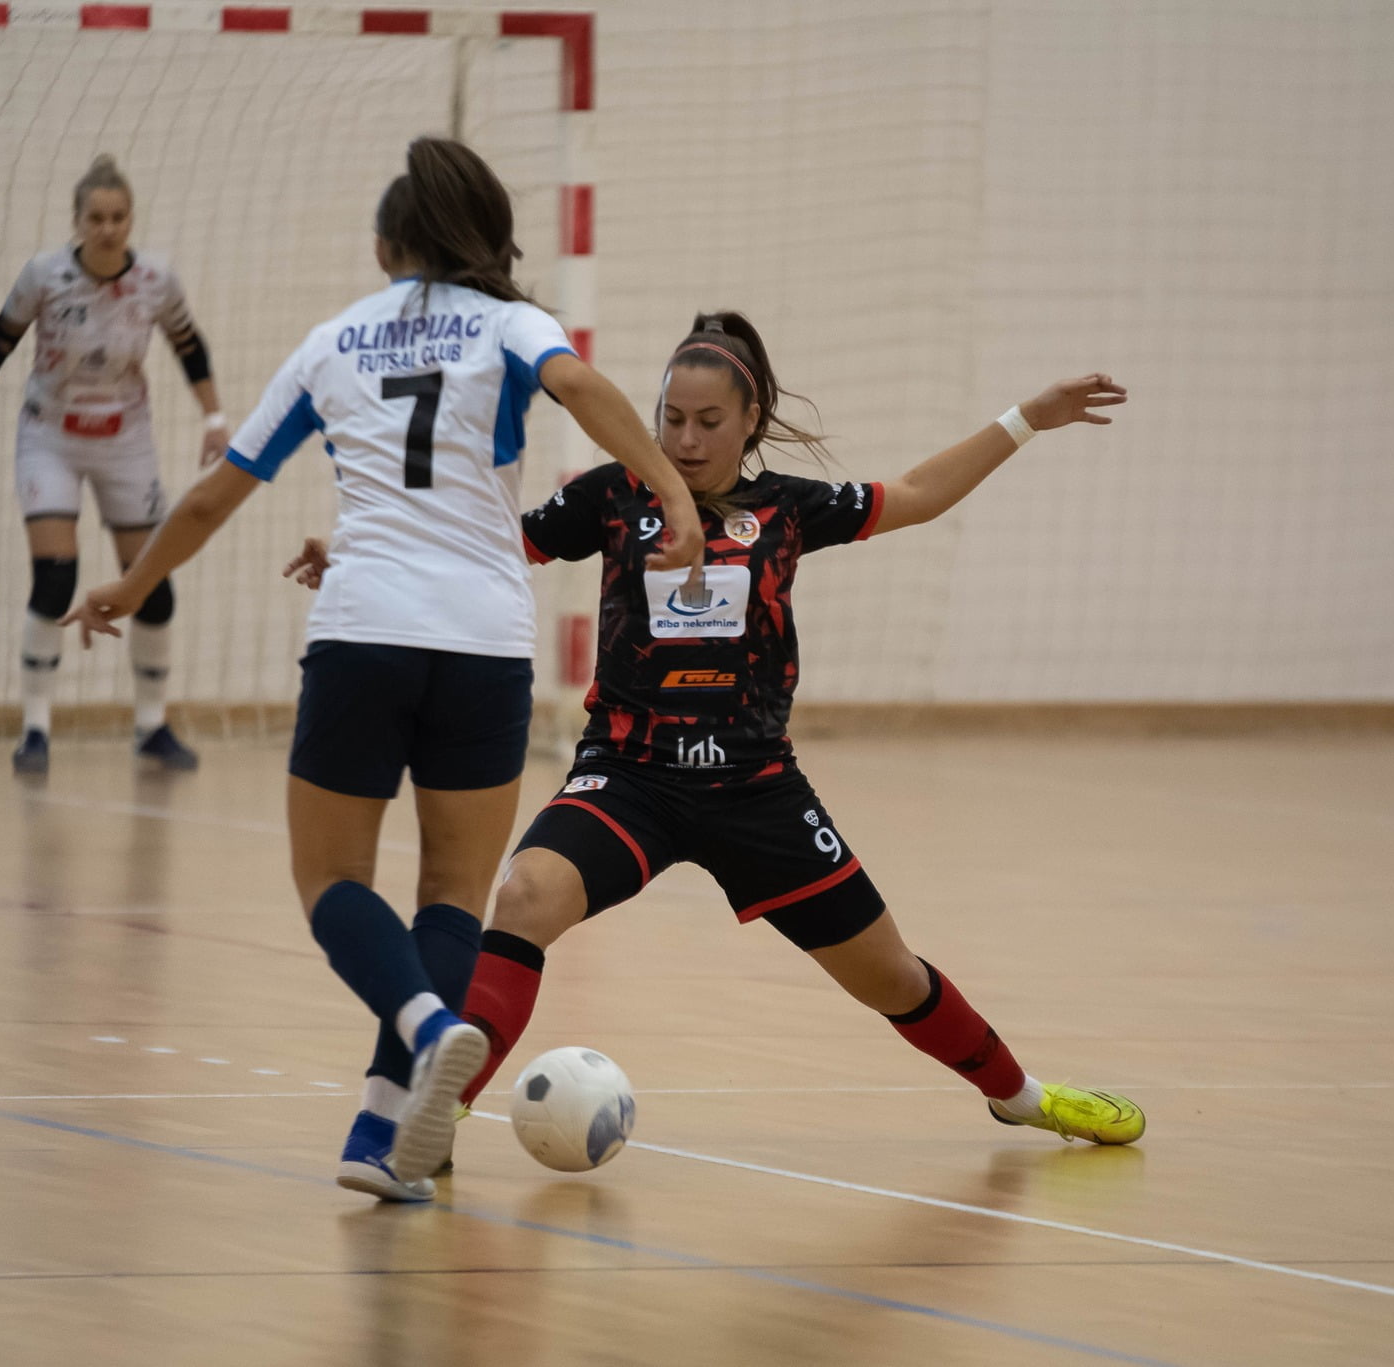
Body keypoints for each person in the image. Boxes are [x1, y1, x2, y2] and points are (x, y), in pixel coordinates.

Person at [63, 138, 703, 1201]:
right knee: (453, 893)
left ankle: (422, 1030)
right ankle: (378, 1131)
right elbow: (580, 382)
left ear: (384, 244)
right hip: (486, 641)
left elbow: (223, 489)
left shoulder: (333, 341)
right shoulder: (509, 324)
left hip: (363, 630)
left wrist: (130, 587)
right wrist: (670, 496)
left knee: (329, 883)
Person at [448, 312, 1145, 1147]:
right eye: (672, 417)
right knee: (524, 896)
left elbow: (916, 496)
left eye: (709, 422)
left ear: (751, 421)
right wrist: (351, 555)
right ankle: (435, 1114)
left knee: (892, 976)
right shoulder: (611, 496)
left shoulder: (786, 508)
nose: (686, 438)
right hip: (628, 778)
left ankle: (1021, 1095)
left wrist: (1028, 417)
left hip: (756, 792)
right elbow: (490, 545)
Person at [0, 154, 223, 775]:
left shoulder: (155, 280)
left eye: (119, 217)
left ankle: (151, 726)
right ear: (78, 221)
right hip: (51, 436)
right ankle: (35, 730)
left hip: (126, 438)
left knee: (151, 582)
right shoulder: (44, 275)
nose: (108, 228)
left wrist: (214, 419)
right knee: (57, 574)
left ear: (130, 220)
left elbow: (188, 344)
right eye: (96, 217)